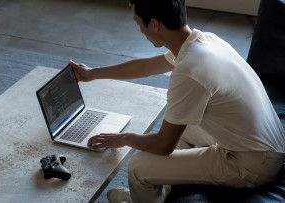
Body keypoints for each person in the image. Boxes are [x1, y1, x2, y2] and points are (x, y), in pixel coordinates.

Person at [69, 0, 285, 202]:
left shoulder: (190, 70)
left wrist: (125, 138)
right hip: (266, 144)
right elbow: (144, 67)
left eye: (138, 23)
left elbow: (163, 145)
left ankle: (143, 192)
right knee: (179, 123)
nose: (140, 30)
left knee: (138, 166)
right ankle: (160, 193)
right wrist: (91, 73)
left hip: (252, 165)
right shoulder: (204, 40)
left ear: (154, 24)